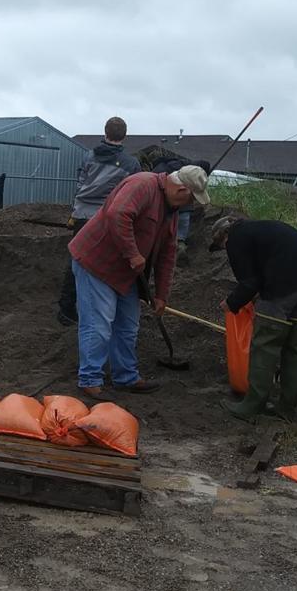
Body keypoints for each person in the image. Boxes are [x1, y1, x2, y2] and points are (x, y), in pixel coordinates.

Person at [69, 165, 210, 397]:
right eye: (192, 198)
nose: (191, 204)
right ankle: (90, 379)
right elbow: (117, 215)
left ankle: (125, 376)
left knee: (128, 326)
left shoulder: (171, 211)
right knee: (99, 324)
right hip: (97, 264)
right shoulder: (143, 185)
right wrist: (133, 254)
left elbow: (167, 254)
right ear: (182, 190)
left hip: (127, 273)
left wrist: (161, 295)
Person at [210, 216, 297, 421]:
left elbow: (249, 283)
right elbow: (263, 271)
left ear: (224, 235)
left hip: (283, 288)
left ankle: (252, 406)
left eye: (222, 246)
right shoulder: (262, 229)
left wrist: (231, 303)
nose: (226, 249)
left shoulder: (236, 238)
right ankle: (287, 408)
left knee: (265, 344)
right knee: (293, 350)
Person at [57, 117, 141, 326]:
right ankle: (104, 308)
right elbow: (132, 194)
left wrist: (76, 209)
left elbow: (80, 183)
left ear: (105, 132)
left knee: (77, 259)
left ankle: (66, 309)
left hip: (82, 214)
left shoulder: (89, 156)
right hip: (107, 217)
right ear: (124, 135)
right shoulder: (131, 164)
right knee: (105, 262)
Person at [151, 156, 213, 252]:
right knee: (182, 218)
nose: (192, 201)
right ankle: (179, 243)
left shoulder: (179, 168)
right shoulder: (186, 176)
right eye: (192, 198)